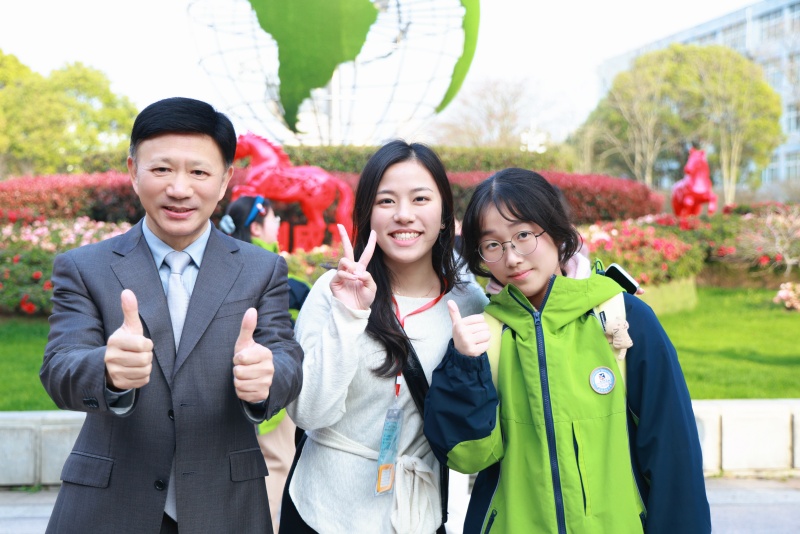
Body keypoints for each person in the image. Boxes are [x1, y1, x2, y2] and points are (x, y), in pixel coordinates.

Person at [40, 97, 303, 534]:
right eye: (162, 169)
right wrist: (107, 369)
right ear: (133, 171)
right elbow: (59, 367)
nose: (179, 189)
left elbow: (286, 357)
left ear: (225, 180)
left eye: (199, 172)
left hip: (226, 506)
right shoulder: (84, 267)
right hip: (110, 506)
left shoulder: (262, 269)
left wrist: (267, 378)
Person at [423, 168, 711, 533]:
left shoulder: (625, 318)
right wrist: (465, 366)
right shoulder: (481, 337)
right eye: (493, 245)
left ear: (559, 232)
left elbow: (674, 455)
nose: (512, 257)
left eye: (523, 235)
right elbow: (466, 456)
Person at [281, 140, 488, 534]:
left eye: (420, 198)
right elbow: (307, 413)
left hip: (416, 514)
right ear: (368, 214)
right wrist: (349, 315)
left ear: (445, 216)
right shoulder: (332, 290)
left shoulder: (469, 303)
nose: (404, 214)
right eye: (386, 201)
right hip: (321, 510)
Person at [220, 194, 310, 531]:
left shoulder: (223, 265)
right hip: (267, 396)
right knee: (275, 466)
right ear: (256, 227)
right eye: (274, 218)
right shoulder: (267, 268)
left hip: (232, 391)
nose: (278, 224)